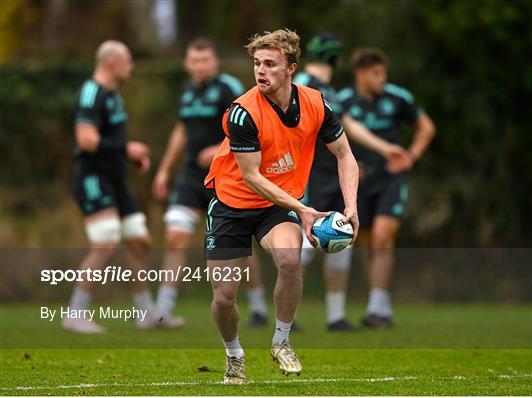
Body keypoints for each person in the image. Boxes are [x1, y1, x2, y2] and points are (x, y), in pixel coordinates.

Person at [204, 29, 359, 384]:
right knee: (225, 299)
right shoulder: (243, 112)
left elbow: (345, 155)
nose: (261, 70)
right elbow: (252, 178)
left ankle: (282, 341)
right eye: (257, 63)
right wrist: (303, 209)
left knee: (290, 260)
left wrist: (351, 206)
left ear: (291, 68)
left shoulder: (316, 103)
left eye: (270, 64)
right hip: (232, 203)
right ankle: (234, 355)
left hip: (276, 206)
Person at [294, 33, 411, 331]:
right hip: (311, 177)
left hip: (335, 176)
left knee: (339, 241)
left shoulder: (329, 92)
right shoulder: (302, 83)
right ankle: (288, 317)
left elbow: (346, 127)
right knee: (304, 245)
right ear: (336, 58)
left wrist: (384, 150)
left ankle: (335, 316)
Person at [152, 38, 269, 328]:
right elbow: (182, 130)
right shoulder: (187, 91)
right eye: (195, 60)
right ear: (187, 64)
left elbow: (248, 124)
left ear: (214, 62)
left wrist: (220, 145)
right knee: (174, 236)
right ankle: (162, 311)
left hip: (225, 175)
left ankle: (258, 305)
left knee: (238, 245)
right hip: (191, 176)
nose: (200, 65)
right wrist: (164, 170)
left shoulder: (227, 87)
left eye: (205, 60)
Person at [338, 48, 436, 328]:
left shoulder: (397, 97)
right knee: (368, 242)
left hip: (390, 178)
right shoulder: (343, 101)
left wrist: (411, 158)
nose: (382, 79)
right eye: (376, 74)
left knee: (383, 236)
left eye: (384, 73)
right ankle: (378, 305)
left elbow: (426, 127)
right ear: (361, 74)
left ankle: (378, 307)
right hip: (359, 180)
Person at [65, 40, 154, 333]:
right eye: (128, 60)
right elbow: (87, 140)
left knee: (139, 241)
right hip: (94, 179)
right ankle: (75, 314)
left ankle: (146, 313)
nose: (132, 66)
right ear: (112, 63)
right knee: (106, 243)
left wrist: (129, 158)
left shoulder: (114, 96)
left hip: (116, 180)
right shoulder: (92, 93)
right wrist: (128, 149)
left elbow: (109, 143)